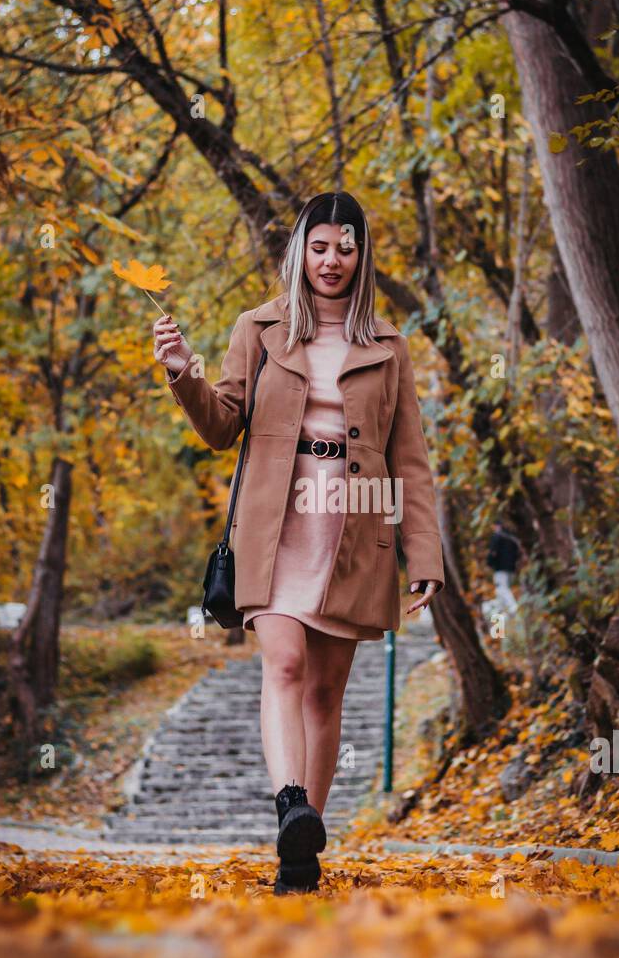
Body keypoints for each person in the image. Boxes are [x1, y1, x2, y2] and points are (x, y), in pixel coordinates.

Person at [152, 191, 444, 895]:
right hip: (276, 524)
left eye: (345, 246)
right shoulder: (258, 328)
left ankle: (301, 856)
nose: (332, 259)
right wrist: (184, 371)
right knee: (282, 664)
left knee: (326, 689)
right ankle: (292, 807)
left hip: (355, 529)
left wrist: (424, 554)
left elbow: (410, 459)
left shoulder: (389, 347)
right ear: (300, 253)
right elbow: (223, 426)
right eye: (320, 246)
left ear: (360, 254)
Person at [486, 522, 521, 623]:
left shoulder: (497, 537)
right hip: (511, 569)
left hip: (500, 568)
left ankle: (514, 608)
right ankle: (503, 620)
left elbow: (493, 553)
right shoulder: (512, 539)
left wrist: (489, 563)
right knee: (501, 594)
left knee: (501, 589)